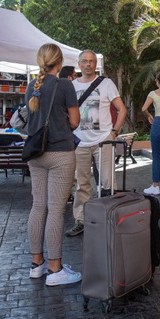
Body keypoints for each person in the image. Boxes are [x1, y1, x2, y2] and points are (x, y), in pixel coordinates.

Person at [25, 43, 81, 286]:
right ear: (59, 62)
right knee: (56, 210)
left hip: (36, 153)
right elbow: (75, 121)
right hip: (60, 153)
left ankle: (36, 264)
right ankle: (55, 269)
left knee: (38, 207)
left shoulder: (32, 86)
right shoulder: (64, 85)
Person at [65, 50, 127, 237]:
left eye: (91, 61)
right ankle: (81, 220)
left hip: (103, 141)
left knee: (108, 183)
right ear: (79, 64)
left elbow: (122, 109)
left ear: (95, 64)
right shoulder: (71, 86)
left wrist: (114, 132)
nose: (88, 64)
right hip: (80, 143)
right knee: (81, 185)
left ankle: (109, 219)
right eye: (84, 61)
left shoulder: (106, 83)